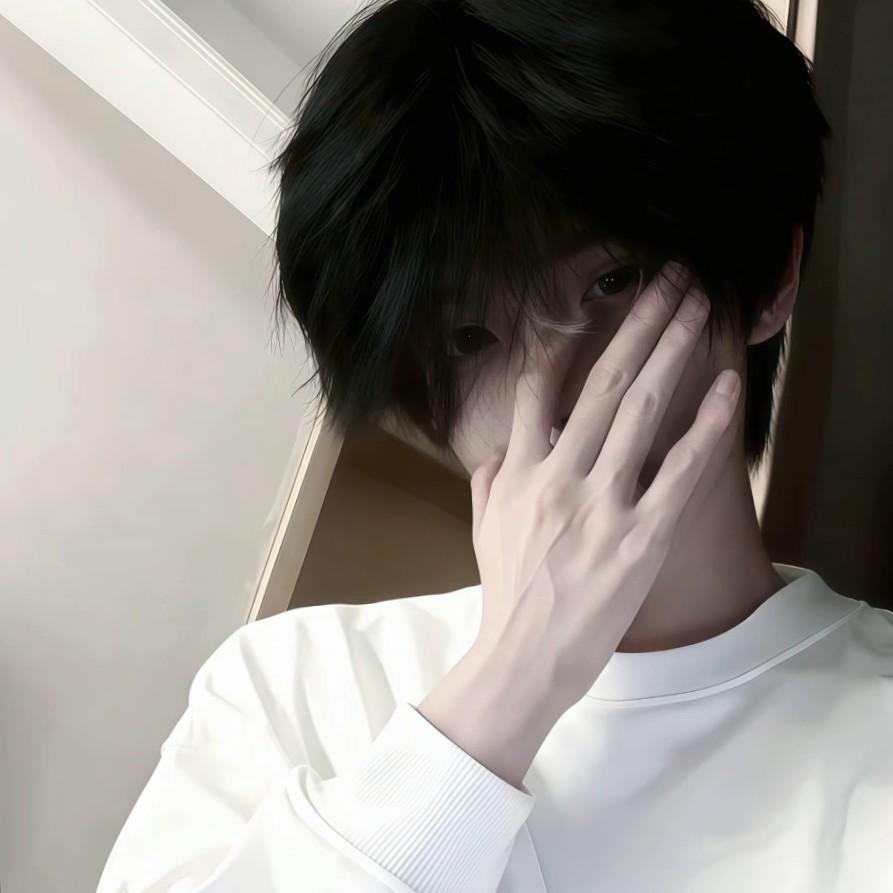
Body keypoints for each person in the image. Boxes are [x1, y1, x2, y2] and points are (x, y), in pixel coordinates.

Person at [97, 1, 893, 891]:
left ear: (769, 275)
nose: (550, 393)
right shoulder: (294, 688)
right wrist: (508, 686)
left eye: (611, 281)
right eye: (469, 338)